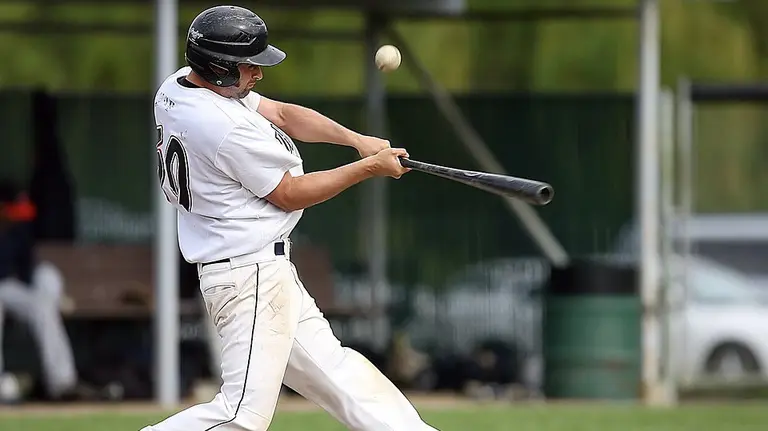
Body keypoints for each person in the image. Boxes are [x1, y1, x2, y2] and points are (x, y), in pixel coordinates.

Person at [142, 5, 438, 431]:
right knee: (240, 416)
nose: (258, 73)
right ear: (220, 68)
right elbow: (289, 194)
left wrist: (357, 142)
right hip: (249, 275)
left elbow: (282, 113)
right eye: (248, 66)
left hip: (260, 271)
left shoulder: (177, 88)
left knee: (338, 375)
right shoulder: (224, 126)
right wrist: (369, 169)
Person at [0, 179, 79, 402]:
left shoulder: (18, 231)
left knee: (45, 296)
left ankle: (63, 382)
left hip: (14, 289)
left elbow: (27, 269)